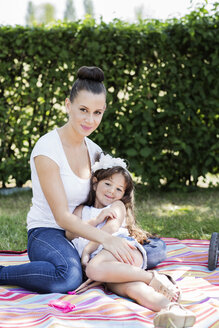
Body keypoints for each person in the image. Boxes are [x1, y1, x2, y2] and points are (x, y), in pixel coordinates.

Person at [0, 66, 165, 294]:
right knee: (67, 276)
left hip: (87, 228)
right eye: (83, 110)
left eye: (97, 112)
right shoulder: (47, 150)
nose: (90, 120)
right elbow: (62, 218)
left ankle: (100, 268)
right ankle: (3, 273)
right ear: (68, 106)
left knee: (157, 247)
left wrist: (111, 229)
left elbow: (110, 195)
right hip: (49, 231)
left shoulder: (95, 151)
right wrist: (107, 241)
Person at [66, 153, 196, 328]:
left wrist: (88, 250)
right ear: (95, 183)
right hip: (108, 271)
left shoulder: (116, 206)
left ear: (123, 195)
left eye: (119, 189)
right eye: (108, 183)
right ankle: (173, 311)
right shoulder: (82, 210)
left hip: (122, 250)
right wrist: (96, 221)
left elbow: (111, 229)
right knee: (133, 289)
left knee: (94, 268)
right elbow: (70, 233)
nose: (112, 191)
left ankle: (152, 277)